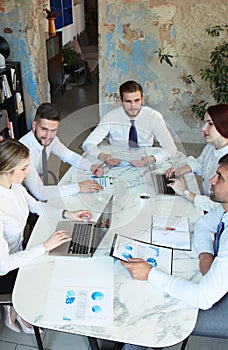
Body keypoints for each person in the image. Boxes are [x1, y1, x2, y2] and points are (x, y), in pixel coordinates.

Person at [121, 153, 228, 350]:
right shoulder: (224, 210)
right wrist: (205, 254)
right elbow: (204, 224)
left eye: (220, 178)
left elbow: (202, 298)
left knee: (151, 314)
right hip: (218, 284)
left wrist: (150, 273)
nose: (211, 180)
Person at [0, 139, 93, 333]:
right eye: (24, 168)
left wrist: (68, 214)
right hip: (5, 268)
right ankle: (13, 310)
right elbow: (3, 267)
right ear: (8, 169)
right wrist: (45, 246)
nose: (28, 173)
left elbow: (35, 205)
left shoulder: (13, 185)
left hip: (19, 250)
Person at [19, 102, 104, 201]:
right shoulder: (24, 151)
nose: (48, 136)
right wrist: (78, 187)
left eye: (53, 130)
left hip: (34, 188)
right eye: (44, 129)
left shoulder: (51, 139)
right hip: (19, 196)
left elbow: (69, 156)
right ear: (34, 125)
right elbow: (40, 193)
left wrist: (91, 166)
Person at [82, 80, 177, 166]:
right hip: (116, 158)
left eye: (137, 100)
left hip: (145, 157)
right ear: (121, 101)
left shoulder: (154, 117)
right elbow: (88, 143)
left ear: (142, 99)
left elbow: (171, 148)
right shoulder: (111, 117)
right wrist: (102, 156)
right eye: (128, 101)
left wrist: (150, 159)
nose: (133, 106)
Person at [166, 104, 228, 212]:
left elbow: (218, 207)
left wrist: (185, 192)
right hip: (204, 200)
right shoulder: (211, 146)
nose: (204, 128)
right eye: (205, 123)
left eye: (210, 124)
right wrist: (180, 171)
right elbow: (200, 163)